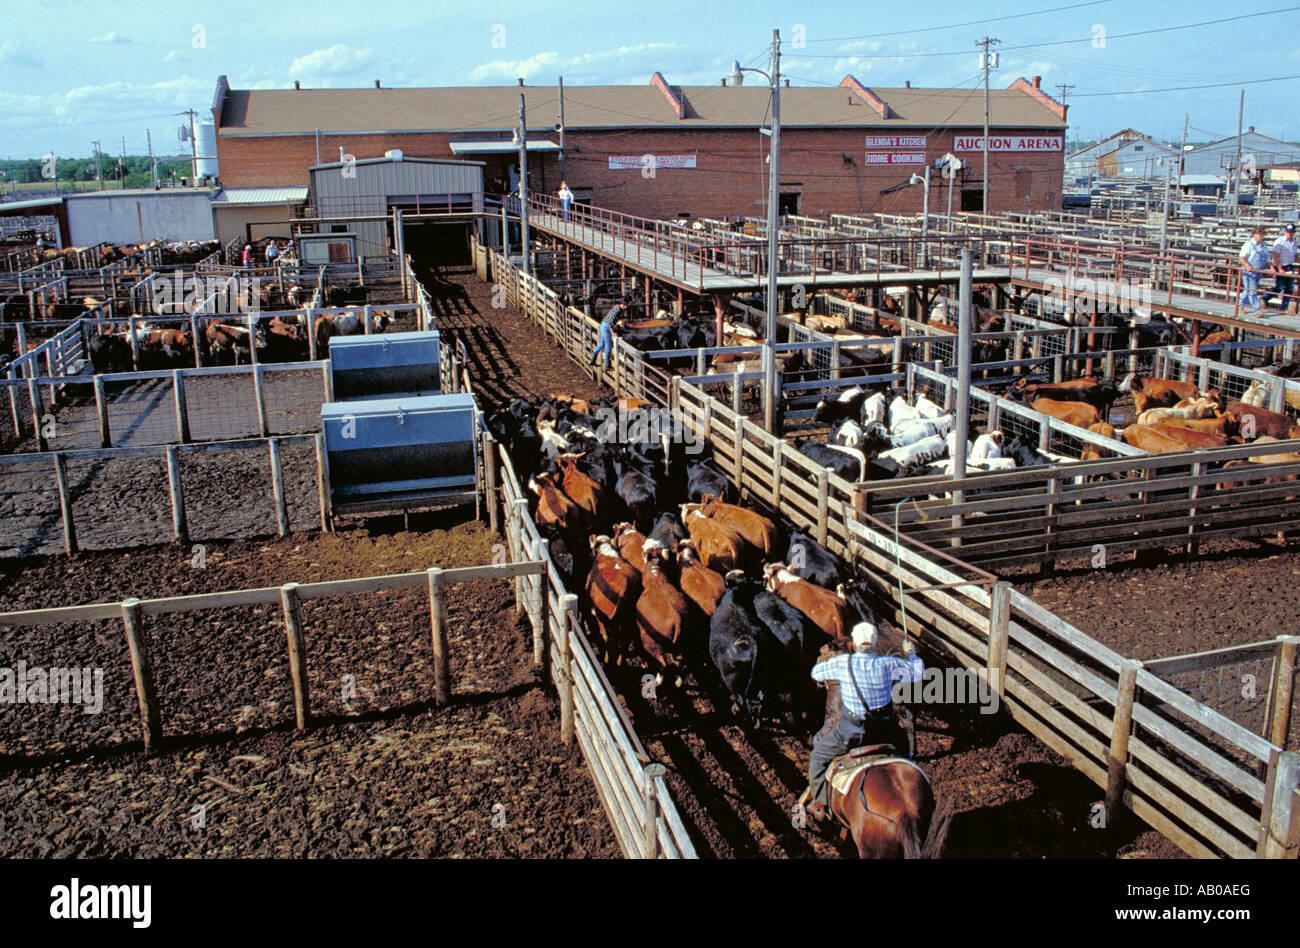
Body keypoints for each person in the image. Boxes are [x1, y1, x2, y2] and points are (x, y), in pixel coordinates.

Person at [801, 620, 924, 821]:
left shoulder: (843, 663)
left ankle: (821, 802)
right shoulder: (888, 663)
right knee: (905, 748)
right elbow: (918, 672)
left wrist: (826, 664)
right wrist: (911, 653)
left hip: (851, 732)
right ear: (874, 644)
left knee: (818, 756)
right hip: (885, 730)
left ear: (855, 644)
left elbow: (816, 673)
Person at [1238, 227, 1272, 317]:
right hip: (1249, 271)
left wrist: (1272, 267)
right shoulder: (1248, 245)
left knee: (1248, 289)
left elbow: (1268, 258)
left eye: (1263, 235)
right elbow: (1241, 257)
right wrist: (1247, 265)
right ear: (1254, 235)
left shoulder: (1264, 245)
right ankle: (1257, 311)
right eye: (1260, 235)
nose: (1262, 237)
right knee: (1252, 290)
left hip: (1258, 270)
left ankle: (1239, 306)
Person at [1264, 223, 1296, 315]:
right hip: (1281, 266)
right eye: (1288, 232)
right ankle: (1265, 298)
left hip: (1290, 266)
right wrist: (1279, 268)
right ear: (1285, 232)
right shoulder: (1280, 241)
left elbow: (1294, 255)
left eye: (1291, 232)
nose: (1290, 233)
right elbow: (1276, 256)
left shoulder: (1294, 242)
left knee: (1289, 288)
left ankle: (1283, 308)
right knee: (1279, 287)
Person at [590, 297, 630, 368]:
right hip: (607, 327)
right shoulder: (617, 310)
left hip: (603, 324)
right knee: (608, 346)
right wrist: (612, 332)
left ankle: (593, 358)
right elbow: (610, 321)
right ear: (622, 304)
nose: (626, 307)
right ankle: (606, 364)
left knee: (602, 344)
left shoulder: (617, 308)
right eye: (625, 305)